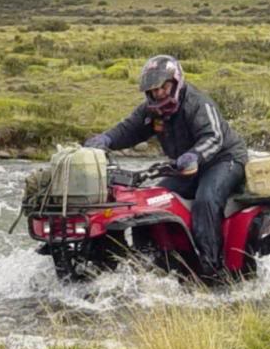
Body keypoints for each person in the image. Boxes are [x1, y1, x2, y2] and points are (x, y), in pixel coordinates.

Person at [85, 55, 247, 276]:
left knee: (206, 200)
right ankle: (156, 260)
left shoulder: (197, 103)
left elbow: (213, 137)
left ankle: (212, 267)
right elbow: (129, 129)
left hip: (224, 159)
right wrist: (106, 140)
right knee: (153, 200)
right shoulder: (152, 111)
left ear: (176, 82)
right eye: (153, 89)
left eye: (164, 87)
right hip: (186, 166)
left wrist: (194, 156)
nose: (159, 93)